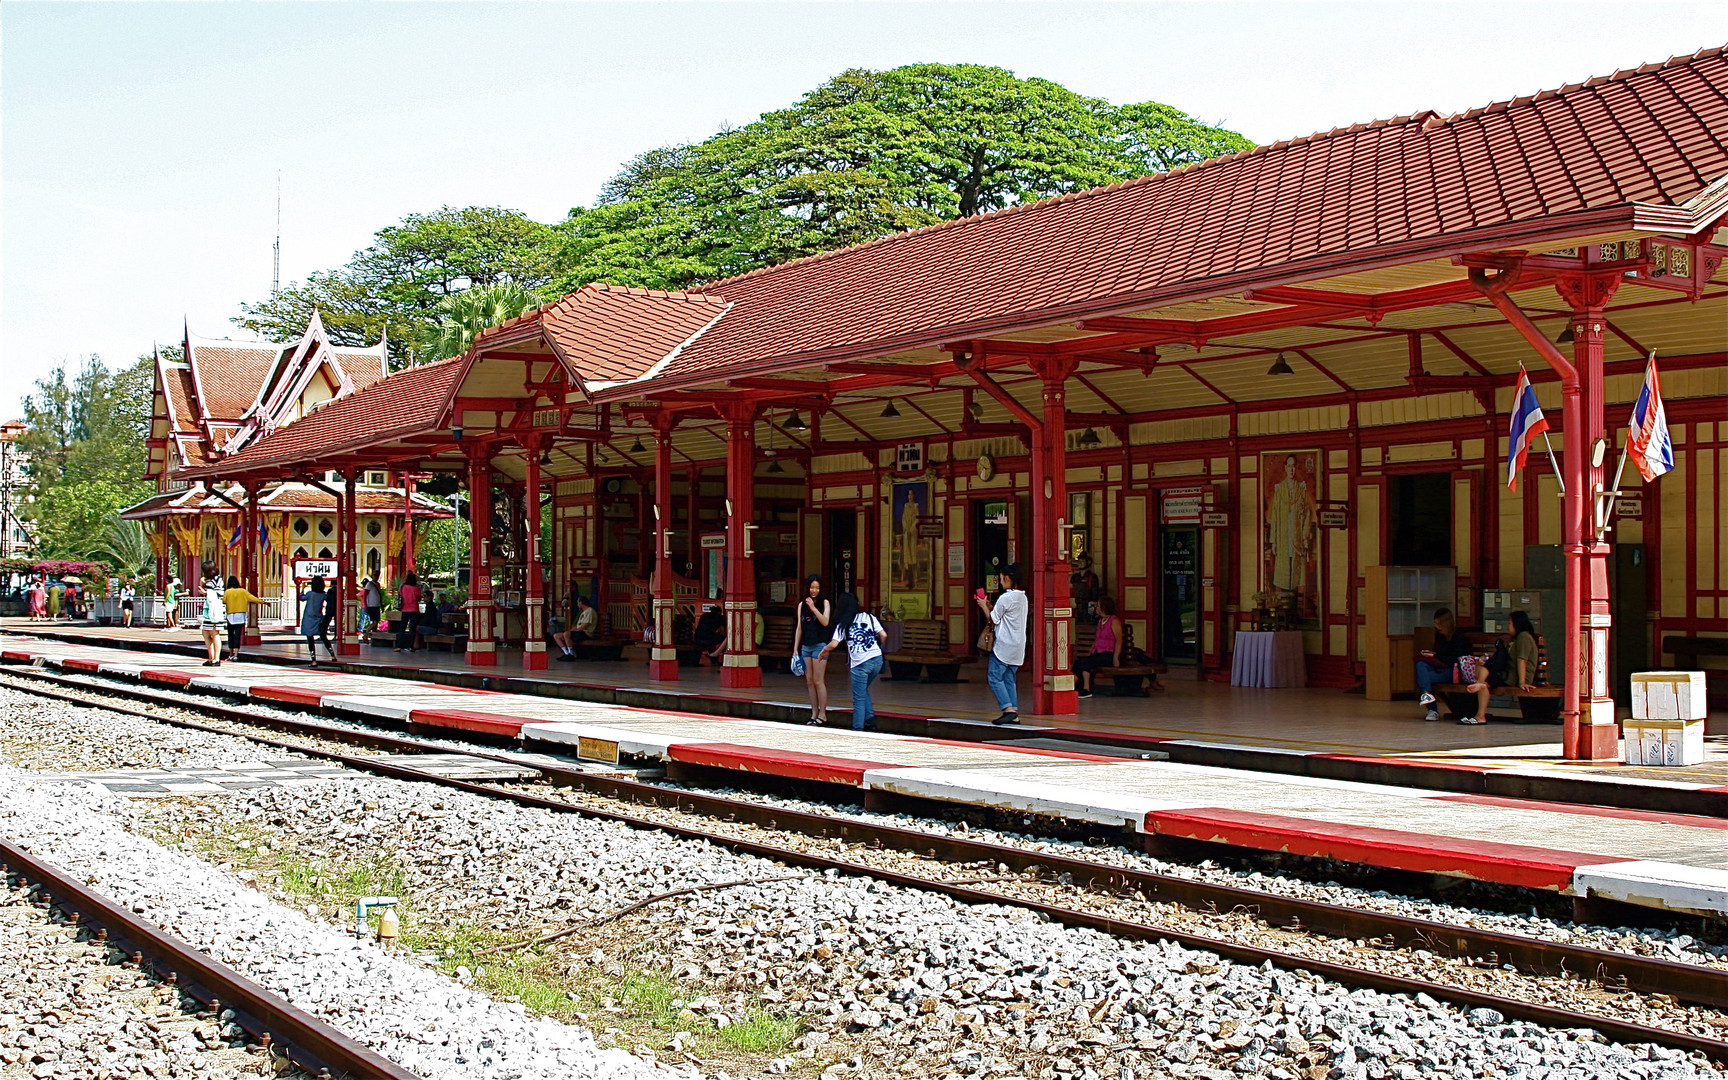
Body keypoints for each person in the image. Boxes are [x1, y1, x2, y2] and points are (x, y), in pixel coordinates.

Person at [820, 590, 885, 732]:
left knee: (859, 697)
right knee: (862, 690)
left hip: (860, 665)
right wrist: (878, 646)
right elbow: (883, 635)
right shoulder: (869, 617)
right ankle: (870, 720)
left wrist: (824, 650)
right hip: (877, 659)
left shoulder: (843, 624)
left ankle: (858, 729)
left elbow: (834, 644)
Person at [975, 564, 1028, 725]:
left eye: (1002, 578)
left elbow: (993, 619)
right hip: (1018, 645)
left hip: (1004, 644)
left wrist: (983, 604)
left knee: (994, 676)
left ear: (1007, 578)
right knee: (1009, 678)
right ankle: (1014, 712)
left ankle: (1008, 709)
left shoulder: (1005, 598)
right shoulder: (1022, 597)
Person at [1415, 607, 1472, 722]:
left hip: (1454, 670)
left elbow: (1455, 660)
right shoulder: (1440, 636)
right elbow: (1440, 654)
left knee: (1424, 678)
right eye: (1435, 624)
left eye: (1439, 624)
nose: (1437, 627)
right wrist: (1434, 655)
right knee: (1421, 665)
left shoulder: (1458, 638)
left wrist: (1435, 656)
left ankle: (1432, 708)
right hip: (1440, 666)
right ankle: (1428, 697)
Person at [791, 575, 832, 725]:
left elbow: (825, 622)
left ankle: (823, 714)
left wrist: (814, 608)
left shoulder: (824, 603)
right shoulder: (802, 605)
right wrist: (796, 648)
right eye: (811, 587)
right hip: (806, 646)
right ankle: (814, 712)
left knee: (818, 680)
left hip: (820, 645)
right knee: (809, 681)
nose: (814, 590)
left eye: (817, 588)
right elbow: (799, 627)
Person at [1073, 596, 1121, 699]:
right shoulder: (1100, 622)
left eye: (1098, 606)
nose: (1096, 608)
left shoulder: (1114, 621)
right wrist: (1091, 651)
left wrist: (1116, 658)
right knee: (1079, 662)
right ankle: (1074, 686)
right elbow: (1096, 639)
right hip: (1097, 653)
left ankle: (1087, 689)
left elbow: (1119, 641)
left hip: (1108, 654)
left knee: (1087, 662)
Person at [221, 575, 264, 661]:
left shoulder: (228, 592)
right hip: (240, 616)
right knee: (237, 635)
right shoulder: (243, 591)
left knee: (230, 635)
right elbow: (253, 598)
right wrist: (263, 602)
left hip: (230, 616)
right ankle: (236, 655)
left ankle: (230, 654)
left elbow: (224, 601)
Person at [300, 576, 334, 667]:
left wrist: (302, 588)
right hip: (318, 618)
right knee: (323, 636)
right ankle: (332, 655)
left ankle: (313, 660)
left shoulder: (310, 594)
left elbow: (301, 598)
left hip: (308, 618)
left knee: (310, 639)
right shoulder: (323, 594)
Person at [198, 570, 226, 666]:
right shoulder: (213, 579)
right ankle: (211, 657)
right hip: (209, 609)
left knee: (214, 633)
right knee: (206, 632)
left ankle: (216, 658)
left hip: (214, 610)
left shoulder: (216, 580)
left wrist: (205, 592)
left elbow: (216, 595)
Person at [694, 591, 726, 665]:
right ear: (719, 612)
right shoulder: (720, 618)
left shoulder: (704, 616)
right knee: (725, 639)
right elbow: (723, 630)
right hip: (709, 639)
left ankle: (713, 656)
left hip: (697, 638)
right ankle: (717, 658)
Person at [394, 572, 422, 652]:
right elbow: (419, 598)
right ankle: (411, 646)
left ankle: (399, 646)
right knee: (412, 629)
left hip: (405, 609)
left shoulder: (403, 587)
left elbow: (400, 595)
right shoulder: (416, 588)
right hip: (414, 609)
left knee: (402, 628)